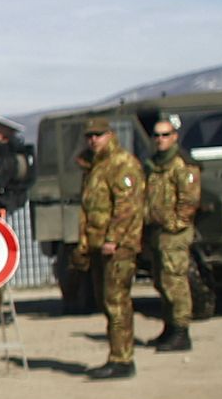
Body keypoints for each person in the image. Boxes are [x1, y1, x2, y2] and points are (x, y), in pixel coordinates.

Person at [73, 118, 145, 378]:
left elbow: (128, 207)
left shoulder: (122, 164)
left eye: (99, 135)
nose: (93, 140)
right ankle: (117, 355)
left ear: (110, 135)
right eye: (89, 135)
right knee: (107, 302)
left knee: (117, 302)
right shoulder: (94, 166)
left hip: (118, 247)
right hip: (99, 245)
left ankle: (122, 359)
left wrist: (113, 238)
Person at [143, 115, 200, 352]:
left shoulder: (181, 164)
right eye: (156, 135)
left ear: (174, 137)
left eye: (165, 135)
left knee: (176, 282)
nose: (160, 140)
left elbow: (189, 200)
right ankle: (169, 327)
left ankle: (181, 331)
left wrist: (175, 224)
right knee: (162, 281)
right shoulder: (155, 164)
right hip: (157, 232)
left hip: (174, 234)